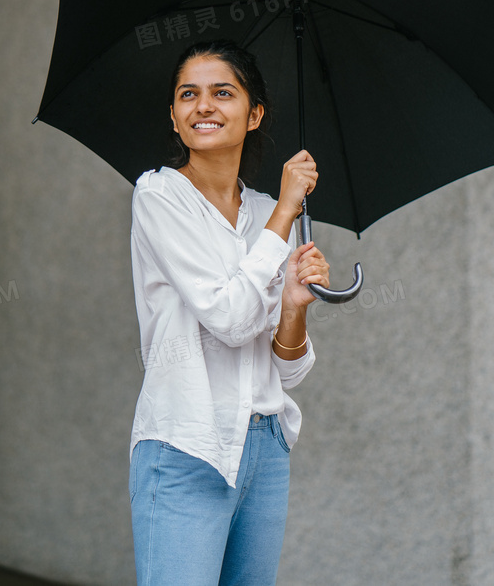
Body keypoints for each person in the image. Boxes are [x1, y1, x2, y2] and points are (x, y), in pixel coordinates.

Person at [128, 40, 330, 584]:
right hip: (187, 442)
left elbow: (288, 369)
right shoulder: (159, 197)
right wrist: (288, 210)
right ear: (173, 117)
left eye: (223, 92)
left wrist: (293, 306)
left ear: (255, 113)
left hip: (265, 446)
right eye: (188, 95)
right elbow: (230, 318)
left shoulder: (265, 212)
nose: (204, 106)